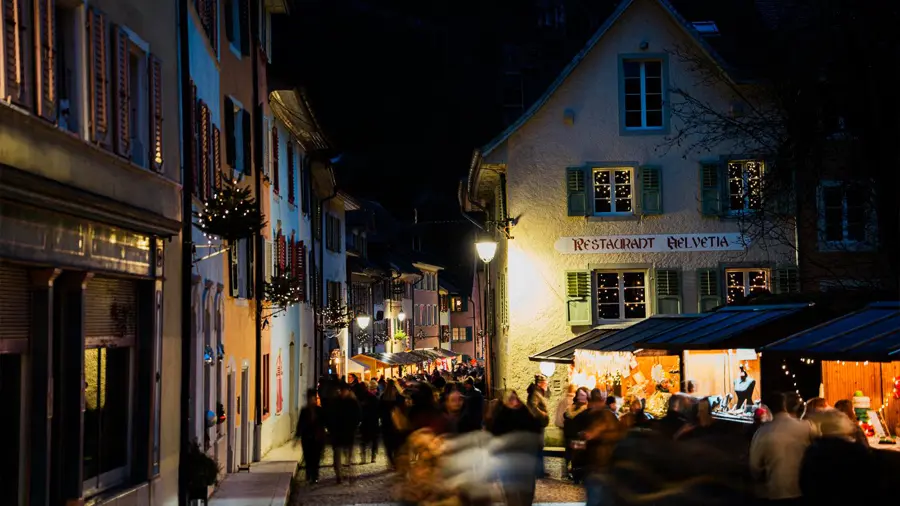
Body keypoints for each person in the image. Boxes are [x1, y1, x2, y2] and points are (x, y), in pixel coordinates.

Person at [750, 391, 814, 505]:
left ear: (767, 409)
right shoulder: (806, 427)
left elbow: (755, 466)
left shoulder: (762, 432)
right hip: (805, 489)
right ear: (784, 405)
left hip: (776, 491)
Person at [326, 383, 361, 484]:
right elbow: (330, 416)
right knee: (338, 456)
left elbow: (358, 416)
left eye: (344, 390)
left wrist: (354, 427)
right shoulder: (335, 402)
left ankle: (350, 474)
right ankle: (339, 476)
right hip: (337, 433)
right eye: (341, 390)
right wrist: (331, 429)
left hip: (348, 433)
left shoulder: (353, 402)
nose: (342, 392)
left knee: (349, 456)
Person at [563, 387, 592, 483]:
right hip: (576, 436)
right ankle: (576, 475)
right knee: (576, 456)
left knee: (573, 455)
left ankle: (572, 474)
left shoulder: (570, 410)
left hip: (571, 436)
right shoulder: (584, 411)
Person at [296, 389, 325, 484]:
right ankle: (308, 474)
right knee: (308, 457)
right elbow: (300, 424)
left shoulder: (320, 411)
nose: (312, 400)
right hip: (307, 438)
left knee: (316, 458)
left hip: (317, 439)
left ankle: (315, 476)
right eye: (311, 399)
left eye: (314, 399)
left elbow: (324, 423)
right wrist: (298, 435)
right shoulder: (304, 411)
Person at [526, 374, 550, 477]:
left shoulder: (538, 393)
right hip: (536, 425)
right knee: (538, 448)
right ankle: (538, 471)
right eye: (545, 383)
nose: (546, 385)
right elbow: (533, 408)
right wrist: (543, 414)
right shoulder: (535, 393)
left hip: (538, 424)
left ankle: (539, 470)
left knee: (539, 447)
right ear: (540, 384)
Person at [359, 380, 380, 463]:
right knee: (374, 439)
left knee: (365, 439)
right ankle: (372, 457)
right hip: (372, 420)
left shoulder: (363, 397)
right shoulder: (373, 397)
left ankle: (364, 457)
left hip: (366, 420)